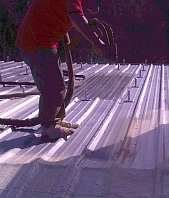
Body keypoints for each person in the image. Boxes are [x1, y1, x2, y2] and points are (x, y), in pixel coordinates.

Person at [15, 0, 106, 141]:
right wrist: (96, 40)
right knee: (53, 86)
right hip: (38, 42)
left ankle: (54, 121)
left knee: (57, 84)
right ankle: (49, 127)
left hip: (41, 40)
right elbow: (76, 17)